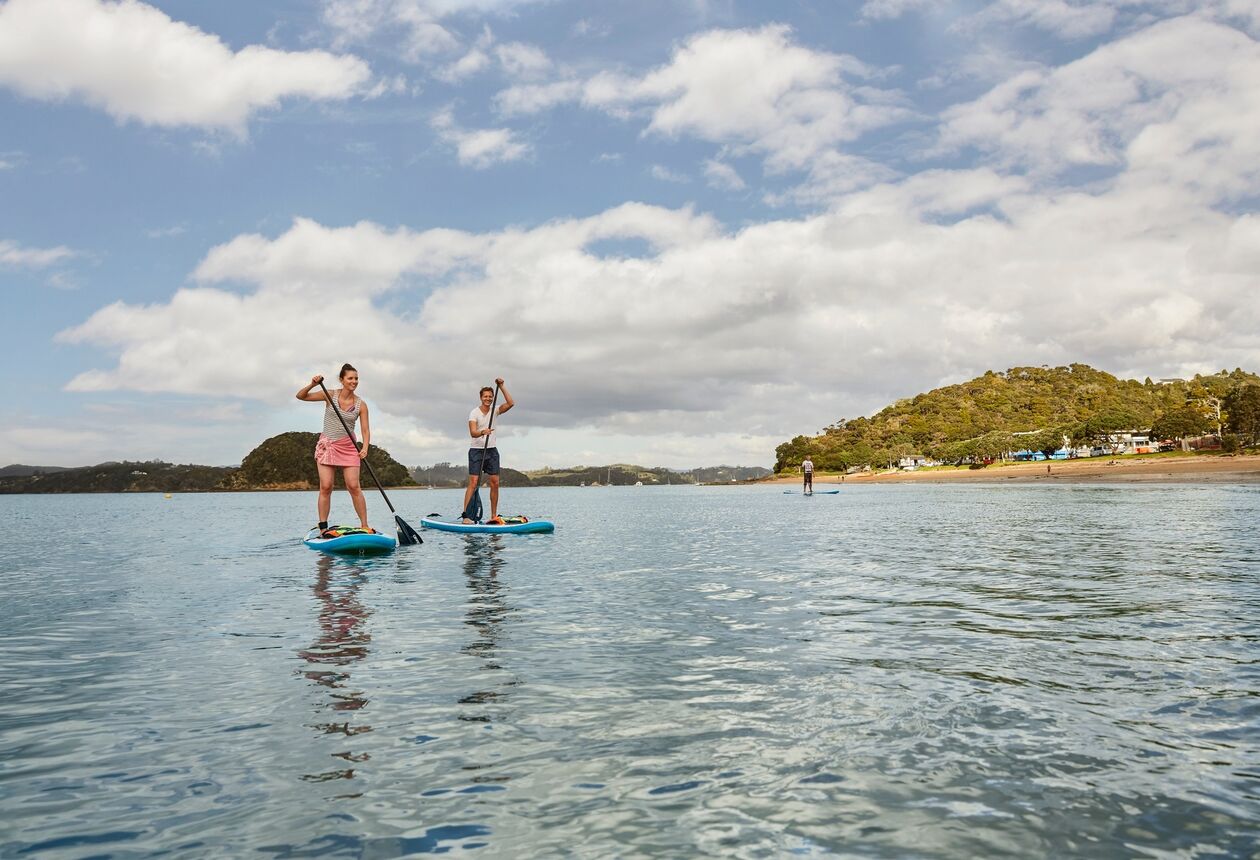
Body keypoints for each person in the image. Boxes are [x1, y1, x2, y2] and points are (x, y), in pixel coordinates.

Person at [296, 364, 372, 536]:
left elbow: (366, 430)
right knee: (326, 486)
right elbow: (301, 396)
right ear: (342, 380)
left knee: (354, 486)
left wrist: (365, 447)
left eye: (356, 378)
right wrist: (313, 384)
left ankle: (365, 525)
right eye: (350, 378)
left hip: (349, 447)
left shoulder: (361, 405)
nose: (354, 381)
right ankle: (323, 527)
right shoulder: (330, 395)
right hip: (328, 446)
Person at [462, 378, 514, 523]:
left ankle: (493, 516)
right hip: (476, 451)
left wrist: (502, 386)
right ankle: (466, 516)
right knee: (473, 482)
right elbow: (472, 433)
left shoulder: (495, 411)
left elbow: (511, 403)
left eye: (490, 396)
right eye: (485, 396)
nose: (488, 398)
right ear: (481, 397)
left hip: (491, 451)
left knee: (495, 482)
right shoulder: (474, 413)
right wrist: (482, 432)